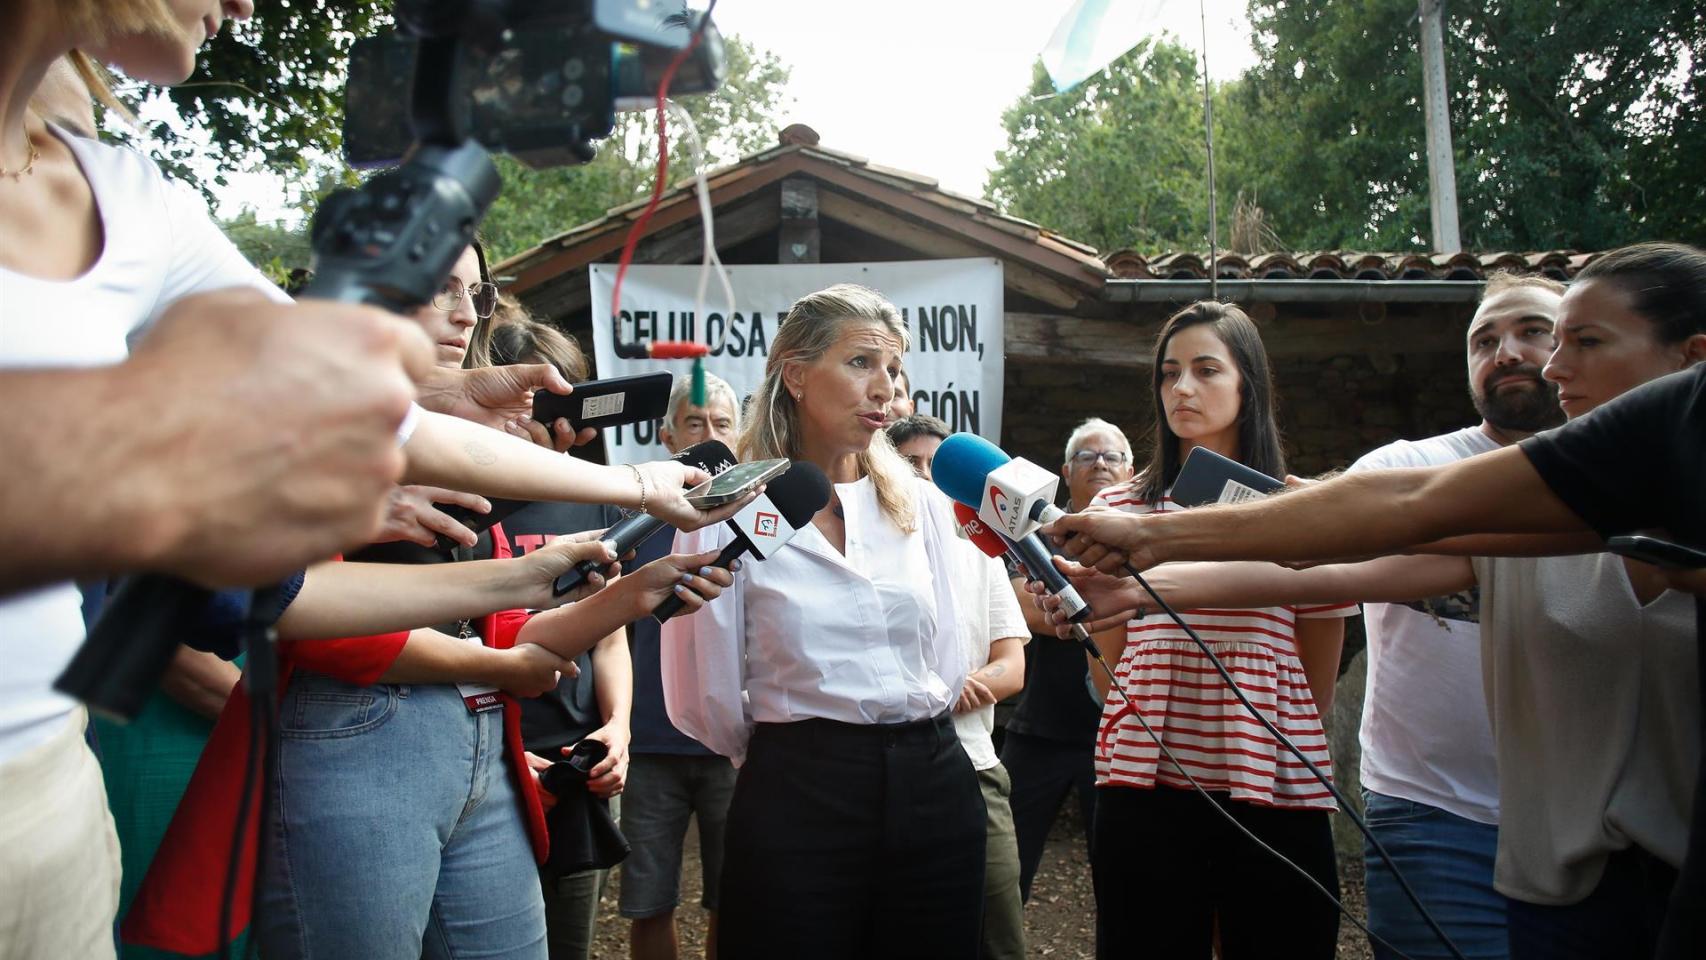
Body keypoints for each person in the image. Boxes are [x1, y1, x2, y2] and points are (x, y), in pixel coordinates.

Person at [1044, 243, 1706, 960]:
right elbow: (1316, 570)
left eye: (1581, 341)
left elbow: (1400, 512)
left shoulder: (1586, 483)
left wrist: (1153, 548)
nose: (1544, 365)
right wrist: (1138, 579)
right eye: (1484, 339)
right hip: (1544, 868)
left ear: (1690, 360)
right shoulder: (1531, 509)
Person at [662, 284, 986, 958]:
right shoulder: (721, 512)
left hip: (932, 780)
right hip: (797, 787)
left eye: (893, 370)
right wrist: (797, 758)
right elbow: (702, 690)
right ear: (797, 374)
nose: (885, 389)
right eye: (862, 362)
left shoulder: (922, 506)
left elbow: (951, 654)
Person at [1084, 301, 1354, 959]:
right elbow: (1108, 660)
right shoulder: (1116, 506)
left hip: (1273, 769)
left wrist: (1262, 722)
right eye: (1168, 373)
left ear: (1248, 385)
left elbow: (1318, 663)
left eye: (1206, 370)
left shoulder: (1299, 507)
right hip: (1142, 774)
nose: (1182, 389)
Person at [1347, 274, 1564, 960]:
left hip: (1591, 824)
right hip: (1432, 820)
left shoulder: (1631, 478)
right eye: (1485, 340)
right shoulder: (1407, 469)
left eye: (1533, 331)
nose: (1505, 351)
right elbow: (1302, 554)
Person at [480, 312, 635, 960]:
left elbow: (609, 636)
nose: (569, 427)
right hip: (492, 765)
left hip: (581, 766)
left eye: (576, 402)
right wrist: (503, 756)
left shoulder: (595, 500)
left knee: (568, 940)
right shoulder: (462, 501)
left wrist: (620, 730)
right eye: (550, 405)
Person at [888, 413, 1030, 960]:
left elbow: (1011, 666)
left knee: (998, 936)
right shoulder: (863, 556)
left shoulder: (980, 550)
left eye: (936, 467)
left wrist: (950, 690)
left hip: (974, 766)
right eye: (910, 463)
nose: (924, 476)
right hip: (891, 774)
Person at [623, 372, 741, 960]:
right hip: (647, 742)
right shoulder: (635, 518)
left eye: (722, 425)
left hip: (730, 740)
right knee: (647, 899)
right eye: (696, 424)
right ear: (667, 436)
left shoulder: (758, 520)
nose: (710, 436)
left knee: (733, 897)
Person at [1001, 417, 1133, 902]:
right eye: (1086, 456)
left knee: (1124, 884)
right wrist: (1117, 602)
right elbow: (1025, 610)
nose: (1099, 464)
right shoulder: (1036, 536)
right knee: (1002, 870)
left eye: (1111, 456)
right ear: (1064, 471)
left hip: (1122, 735)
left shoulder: (1150, 537)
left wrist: (1066, 601)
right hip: (1042, 731)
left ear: (1131, 469)